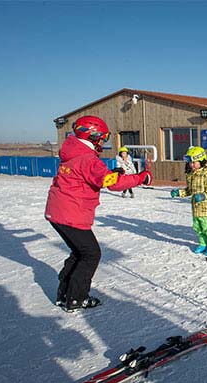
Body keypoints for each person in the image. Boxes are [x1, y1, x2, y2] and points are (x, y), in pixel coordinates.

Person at [45, 115, 152, 312]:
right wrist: (141, 178)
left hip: (57, 212)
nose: (103, 142)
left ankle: (64, 295)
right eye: (102, 138)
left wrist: (113, 172)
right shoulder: (88, 158)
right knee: (91, 254)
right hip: (71, 213)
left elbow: (95, 176)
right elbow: (113, 183)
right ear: (93, 136)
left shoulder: (74, 152)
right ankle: (76, 298)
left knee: (79, 252)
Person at [170, 146, 207, 257]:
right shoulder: (191, 175)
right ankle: (204, 243)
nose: (192, 165)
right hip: (196, 207)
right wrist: (179, 193)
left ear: (202, 160)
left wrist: (203, 196)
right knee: (197, 227)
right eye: (190, 163)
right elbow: (189, 190)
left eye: (194, 162)